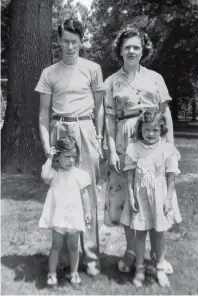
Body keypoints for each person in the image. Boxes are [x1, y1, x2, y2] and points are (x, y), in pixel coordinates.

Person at [35, 18, 104, 276]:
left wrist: (97, 139)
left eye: (75, 41)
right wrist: (47, 146)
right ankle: (63, 257)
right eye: (65, 41)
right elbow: (43, 113)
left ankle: (92, 257)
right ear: (59, 40)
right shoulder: (49, 73)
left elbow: (99, 108)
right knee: (62, 192)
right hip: (59, 130)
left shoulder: (93, 69)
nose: (70, 46)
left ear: (81, 41)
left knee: (88, 192)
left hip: (85, 130)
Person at [104, 27, 174, 274]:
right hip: (124, 141)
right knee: (126, 197)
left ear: (143, 49)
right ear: (120, 51)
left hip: (153, 138)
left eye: (136, 46)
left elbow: (165, 113)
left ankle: (158, 255)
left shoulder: (156, 78)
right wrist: (112, 151)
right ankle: (132, 250)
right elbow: (109, 120)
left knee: (152, 193)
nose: (131, 51)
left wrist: (171, 147)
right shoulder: (111, 82)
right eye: (127, 47)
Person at [121, 110, 182, 288]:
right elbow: (130, 176)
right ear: (140, 129)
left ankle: (160, 267)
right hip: (140, 197)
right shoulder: (133, 148)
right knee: (140, 233)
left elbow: (171, 177)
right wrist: (131, 196)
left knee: (159, 233)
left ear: (161, 130)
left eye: (155, 130)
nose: (150, 134)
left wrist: (169, 199)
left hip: (160, 197)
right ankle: (139, 268)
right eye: (147, 129)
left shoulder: (167, 150)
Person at [39, 136, 92, 287]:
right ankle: (52, 273)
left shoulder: (79, 175)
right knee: (56, 245)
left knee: (74, 247)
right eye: (67, 156)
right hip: (59, 218)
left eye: (74, 157)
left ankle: (74, 273)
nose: (71, 160)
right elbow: (43, 176)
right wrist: (49, 158)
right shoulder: (55, 174)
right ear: (58, 156)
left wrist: (87, 212)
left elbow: (85, 195)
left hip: (74, 217)